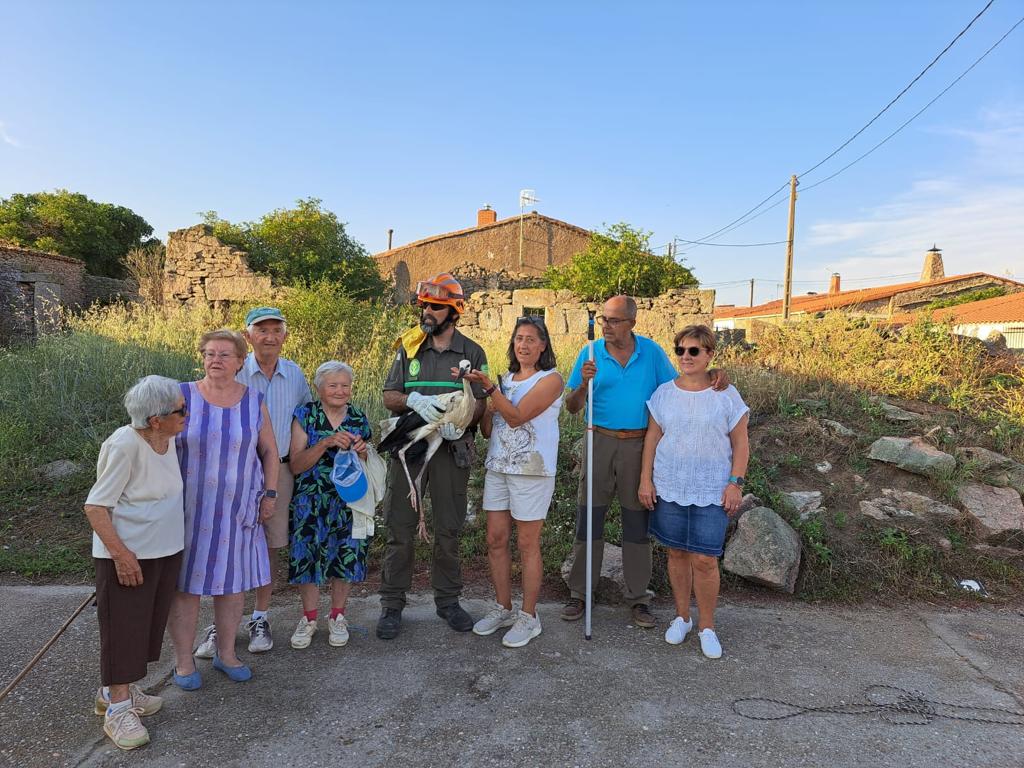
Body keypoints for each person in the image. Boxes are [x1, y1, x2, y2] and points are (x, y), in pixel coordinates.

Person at [562, 295, 727, 628]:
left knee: (636, 525)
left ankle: (638, 598)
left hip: (639, 445)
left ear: (631, 323)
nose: (606, 325)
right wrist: (583, 382)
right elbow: (572, 406)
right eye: (604, 319)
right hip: (599, 440)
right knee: (589, 519)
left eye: (614, 320)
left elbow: (680, 385)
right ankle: (580, 594)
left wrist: (714, 375)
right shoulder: (590, 353)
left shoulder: (650, 352)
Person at [190, 307, 311, 657]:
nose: (269, 336)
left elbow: (302, 419)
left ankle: (260, 616)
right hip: (234, 470)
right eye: (262, 330)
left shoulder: (295, 374)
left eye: (276, 330)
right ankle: (220, 623)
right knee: (224, 543)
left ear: (285, 336)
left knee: (269, 544)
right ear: (248, 337)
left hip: (280, 469)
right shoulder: (235, 369)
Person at [377, 273, 488, 640]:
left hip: (452, 449)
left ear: (453, 312)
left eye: (435, 306)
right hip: (411, 449)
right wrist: (413, 400)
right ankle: (392, 605)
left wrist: (465, 420)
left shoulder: (473, 353)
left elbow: (482, 402)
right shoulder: (408, 347)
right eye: (423, 304)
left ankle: (448, 602)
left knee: (448, 528)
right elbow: (389, 395)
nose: (426, 311)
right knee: (400, 527)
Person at [168, 329, 279, 687]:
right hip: (187, 510)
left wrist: (270, 494)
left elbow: (270, 452)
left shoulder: (252, 400)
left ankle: (227, 654)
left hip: (238, 508)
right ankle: (184, 661)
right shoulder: (181, 395)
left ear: (240, 362)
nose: (216, 360)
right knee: (186, 586)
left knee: (232, 585)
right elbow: (157, 443)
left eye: (224, 355)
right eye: (210, 353)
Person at [84, 375, 188, 750]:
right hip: (130, 557)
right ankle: (118, 709)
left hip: (163, 551)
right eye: (181, 410)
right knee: (124, 631)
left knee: (146, 628)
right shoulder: (124, 445)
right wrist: (122, 556)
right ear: (155, 419)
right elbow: (96, 507)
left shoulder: (167, 438)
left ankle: (116, 692)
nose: (186, 415)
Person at [638, 324, 749, 659]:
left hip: (712, 488)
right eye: (681, 350)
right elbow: (652, 439)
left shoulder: (726, 395)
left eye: (694, 351)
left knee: (704, 558)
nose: (686, 357)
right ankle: (682, 617)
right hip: (670, 485)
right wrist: (646, 479)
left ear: (709, 354)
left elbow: (741, 442)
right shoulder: (663, 394)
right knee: (676, 554)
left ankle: (707, 626)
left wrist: (736, 482)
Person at [463, 316, 563, 648]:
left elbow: (518, 418)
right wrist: (481, 398)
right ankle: (503, 607)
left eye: (531, 339)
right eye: (519, 338)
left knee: (527, 544)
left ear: (543, 345)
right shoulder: (505, 380)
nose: (524, 344)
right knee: (495, 539)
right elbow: (491, 430)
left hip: (532, 471)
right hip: (499, 469)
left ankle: (529, 616)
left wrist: (492, 391)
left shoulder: (551, 380)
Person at [286, 361, 371, 649]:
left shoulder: (359, 418)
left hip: (347, 500)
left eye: (345, 385)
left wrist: (362, 452)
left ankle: (337, 616)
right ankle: (309, 618)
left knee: (344, 556)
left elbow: (368, 466)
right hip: (310, 499)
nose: (340, 391)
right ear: (319, 388)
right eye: (333, 385)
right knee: (307, 556)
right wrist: (325, 443)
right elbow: (296, 465)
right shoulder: (305, 415)